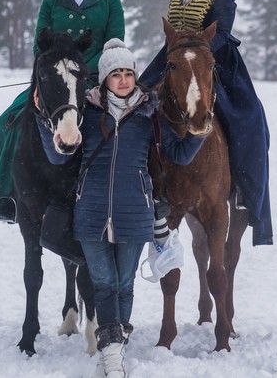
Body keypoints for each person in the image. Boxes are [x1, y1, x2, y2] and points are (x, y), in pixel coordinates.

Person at [37, 39, 206, 378]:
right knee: (104, 282)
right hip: (91, 213)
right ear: (104, 79)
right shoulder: (86, 114)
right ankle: (113, 355)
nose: (125, 80)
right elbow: (58, 156)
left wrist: (199, 132)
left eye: (129, 72)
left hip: (134, 212)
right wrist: (45, 122)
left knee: (124, 284)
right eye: (116, 74)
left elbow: (180, 154)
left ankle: (111, 352)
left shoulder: (149, 115)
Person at [0, 0, 125, 222]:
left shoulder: (110, 1)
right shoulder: (51, 3)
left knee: (129, 127)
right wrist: (52, 77)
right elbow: (39, 47)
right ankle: (7, 195)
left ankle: (134, 194)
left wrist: (92, 80)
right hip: (54, 82)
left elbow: (114, 45)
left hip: (95, 82)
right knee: (10, 122)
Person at [139, 0, 273, 246]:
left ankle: (243, 189)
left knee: (250, 118)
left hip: (216, 66)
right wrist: (146, 80)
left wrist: (195, 57)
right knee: (138, 102)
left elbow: (221, 35)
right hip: (178, 61)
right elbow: (171, 41)